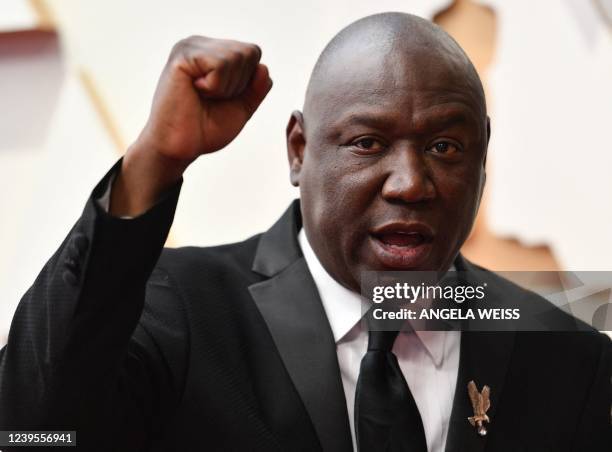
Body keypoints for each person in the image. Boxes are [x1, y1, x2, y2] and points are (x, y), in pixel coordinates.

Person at [0, 12, 609, 452]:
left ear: (483, 157)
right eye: (368, 143)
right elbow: (32, 425)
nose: (410, 184)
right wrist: (154, 162)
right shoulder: (180, 311)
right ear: (299, 150)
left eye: (445, 146)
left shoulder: (567, 357)